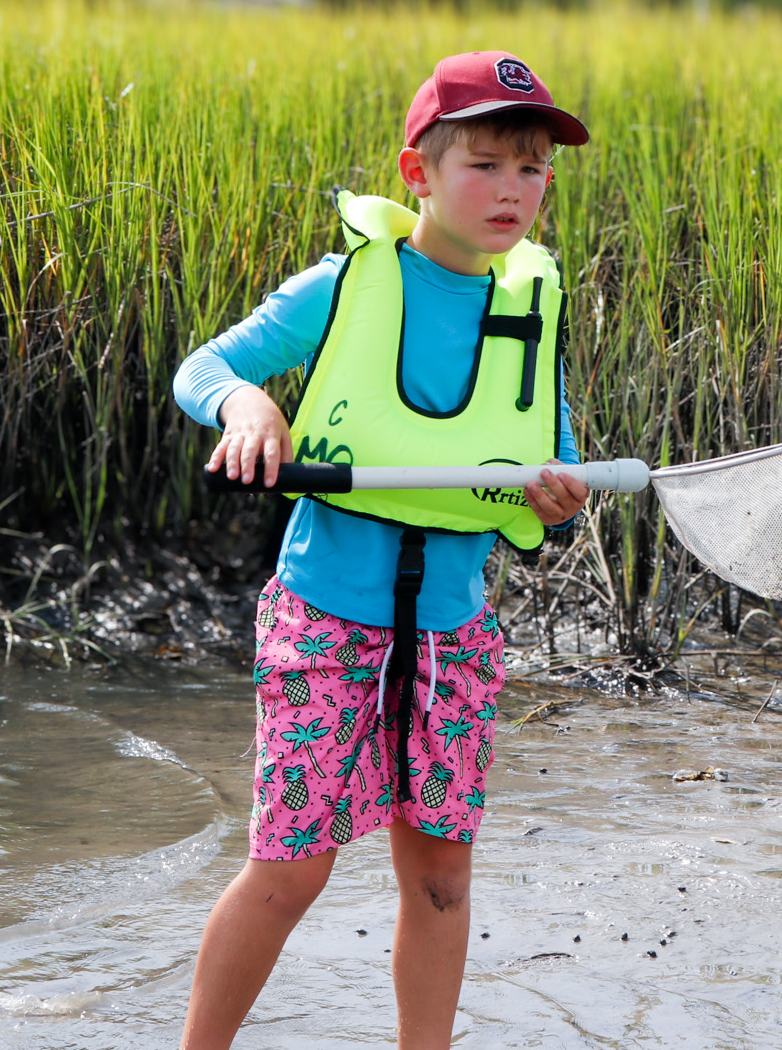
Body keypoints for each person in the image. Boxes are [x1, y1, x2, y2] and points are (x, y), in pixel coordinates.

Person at [173, 51, 593, 1049]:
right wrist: (246, 403)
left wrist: (562, 495)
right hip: (327, 620)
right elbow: (206, 366)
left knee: (442, 878)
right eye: (483, 164)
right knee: (289, 872)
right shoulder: (346, 283)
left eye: (531, 170)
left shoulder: (528, 303)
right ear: (419, 174)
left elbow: (557, 465)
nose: (511, 191)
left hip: (454, 634)